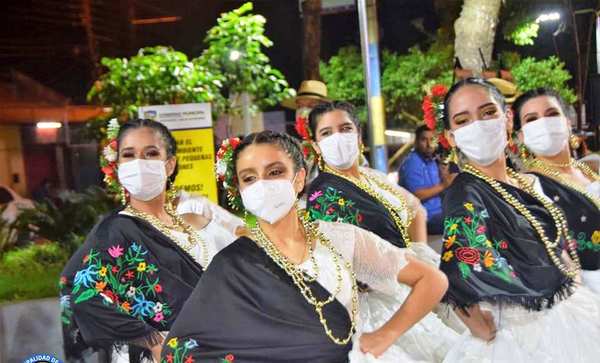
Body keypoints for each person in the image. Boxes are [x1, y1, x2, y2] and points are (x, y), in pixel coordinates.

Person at [161, 131, 452, 362]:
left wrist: (384, 336)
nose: (262, 184)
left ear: (299, 178)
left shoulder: (342, 238)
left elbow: (432, 280)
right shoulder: (234, 263)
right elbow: (185, 346)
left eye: (275, 172)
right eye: (249, 178)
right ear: (240, 190)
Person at [439, 78, 600, 362]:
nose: (478, 125)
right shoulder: (465, 191)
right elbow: (458, 269)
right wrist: (479, 326)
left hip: (571, 312)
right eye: (463, 120)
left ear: (507, 119)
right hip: (518, 336)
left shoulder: (525, 182)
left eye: (488, 113)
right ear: (451, 137)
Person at [60, 119, 237, 363]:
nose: (139, 163)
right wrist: (151, 340)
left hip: (218, 348)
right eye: (128, 155)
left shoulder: (192, 221)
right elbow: (82, 295)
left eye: (151, 153)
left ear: (170, 164)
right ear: (118, 167)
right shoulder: (116, 230)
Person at [513, 88, 600, 293]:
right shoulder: (527, 185)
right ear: (522, 135)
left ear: (568, 123)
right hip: (589, 291)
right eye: (532, 119)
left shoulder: (591, 168)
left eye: (552, 114)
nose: (543, 122)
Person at [399, 125, 456, 235]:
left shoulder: (433, 160)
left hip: (439, 213)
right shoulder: (412, 162)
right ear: (416, 142)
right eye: (424, 140)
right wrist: (444, 185)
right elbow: (417, 194)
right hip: (425, 218)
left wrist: (444, 171)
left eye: (432, 140)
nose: (429, 144)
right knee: (462, 223)